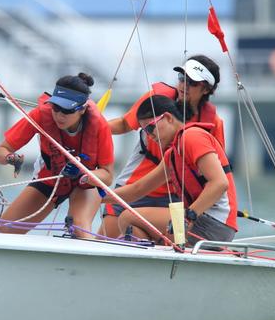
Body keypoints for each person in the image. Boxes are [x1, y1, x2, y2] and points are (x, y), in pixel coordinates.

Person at [100, 55, 225, 238]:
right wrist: (93, 128)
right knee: (104, 242)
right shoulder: (156, 101)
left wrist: (194, 211)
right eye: (182, 78)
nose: (184, 85)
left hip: (174, 197)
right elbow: (124, 124)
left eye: (191, 82)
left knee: (154, 247)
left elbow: (217, 175)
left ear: (206, 89)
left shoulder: (213, 124)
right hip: (135, 185)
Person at [101, 95, 238, 245]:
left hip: (213, 224)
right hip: (199, 222)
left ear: (168, 118)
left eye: (150, 127)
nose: (149, 136)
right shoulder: (172, 154)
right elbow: (137, 189)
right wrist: (98, 196)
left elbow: (220, 183)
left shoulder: (192, 136)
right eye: (144, 131)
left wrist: (188, 216)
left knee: (127, 217)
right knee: (133, 229)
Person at [0, 73, 114, 238]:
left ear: (82, 109)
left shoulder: (100, 125)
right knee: (1, 232)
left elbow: (107, 176)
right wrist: (10, 158)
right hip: (51, 181)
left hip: (85, 185)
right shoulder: (41, 115)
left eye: (67, 110)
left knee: (80, 230)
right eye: (56, 107)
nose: (59, 115)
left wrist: (83, 174)